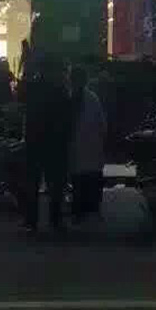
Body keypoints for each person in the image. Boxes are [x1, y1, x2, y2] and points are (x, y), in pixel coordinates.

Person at [22, 53, 73, 233]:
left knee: (32, 182)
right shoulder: (61, 90)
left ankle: (31, 220)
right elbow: (66, 118)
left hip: (35, 140)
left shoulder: (33, 87)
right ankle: (55, 220)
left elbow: (26, 110)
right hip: (55, 142)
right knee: (56, 183)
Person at [68, 65, 107, 224]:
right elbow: (102, 124)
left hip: (78, 147)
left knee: (79, 178)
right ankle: (92, 209)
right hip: (91, 146)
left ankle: (80, 211)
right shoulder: (92, 98)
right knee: (91, 176)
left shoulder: (70, 98)